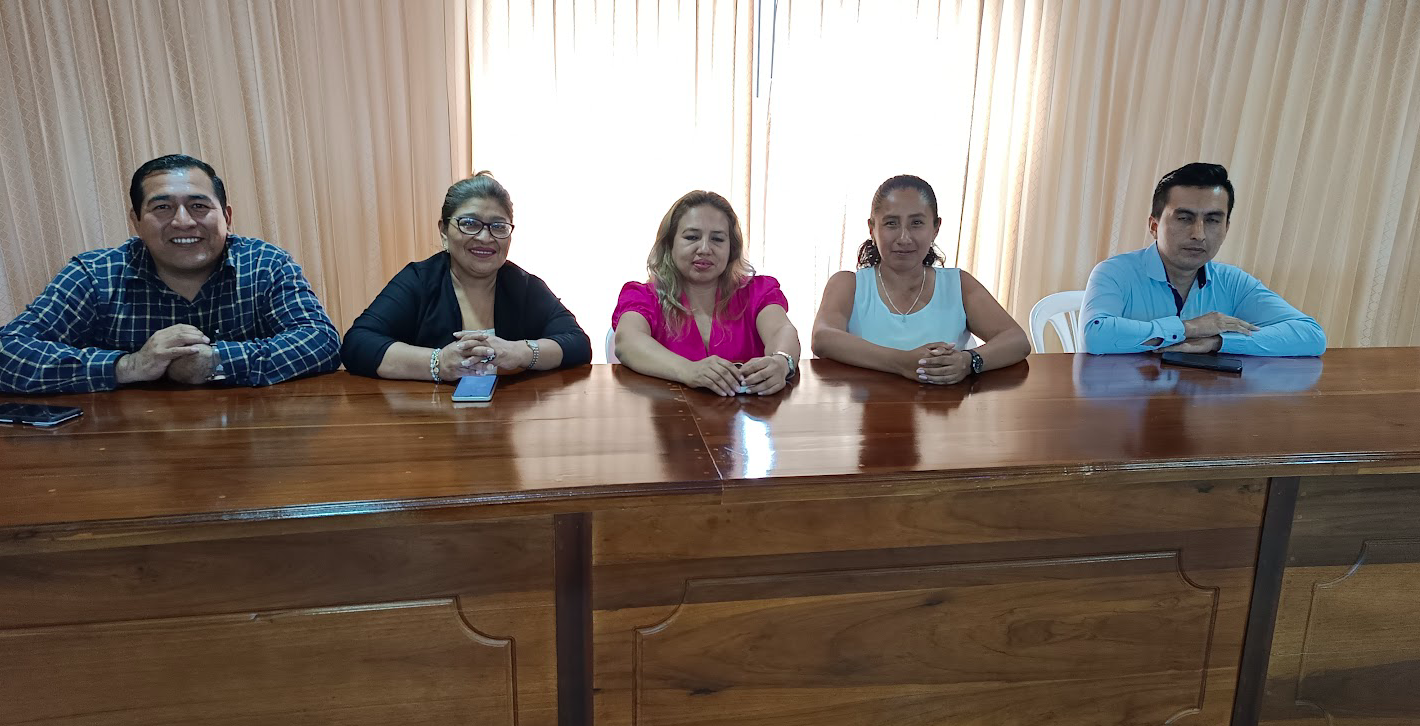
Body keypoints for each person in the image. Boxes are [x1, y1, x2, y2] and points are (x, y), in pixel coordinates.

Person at [0, 154, 340, 394]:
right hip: (128, 452)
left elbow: (321, 341)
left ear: (227, 216)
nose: (183, 222)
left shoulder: (266, 263)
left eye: (199, 206)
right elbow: (8, 353)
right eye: (162, 207)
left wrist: (217, 361)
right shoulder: (94, 274)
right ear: (136, 221)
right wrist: (129, 366)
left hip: (251, 444)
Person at [342, 172, 591, 381]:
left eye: (498, 226)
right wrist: (438, 362)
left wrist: (520, 352)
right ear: (444, 232)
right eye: (470, 223)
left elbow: (577, 343)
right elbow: (358, 344)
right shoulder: (419, 280)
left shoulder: (523, 285)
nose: (485, 237)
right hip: (429, 417)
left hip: (507, 416)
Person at [1081, 162, 1326, 356]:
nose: (1199, 234)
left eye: (1212, 220)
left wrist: (1219, 342)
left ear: (1226, 228)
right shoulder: (1114, 273)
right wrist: (1191, 328)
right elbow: (1096, 335)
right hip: (1125, 401)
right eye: (1184, 218)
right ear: (1154, 226)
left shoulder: (1233, 282)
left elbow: (1311, 335)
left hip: (1202, 401)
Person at [811, 175, 1029, 384]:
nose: (904, 238)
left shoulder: (958, 284)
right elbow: (823, 338)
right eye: (891, 223)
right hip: (866, 408)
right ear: (872, 229)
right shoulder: (848, 284)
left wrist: (968, 361)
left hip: (943, 407)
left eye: (916, 223)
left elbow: (1016, 340)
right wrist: (901, 363)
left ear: (935, 228)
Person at [612, 190, 800, 396]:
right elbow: (627, 341)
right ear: (669, 244)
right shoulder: (643, 296)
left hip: (748, 413)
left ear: (731, 249)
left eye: (717, 239)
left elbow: (781, 329)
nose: (704, 249)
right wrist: (689, 371)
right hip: (672, 412)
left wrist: (782, 362)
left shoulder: (756, 291)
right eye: (692, 237)